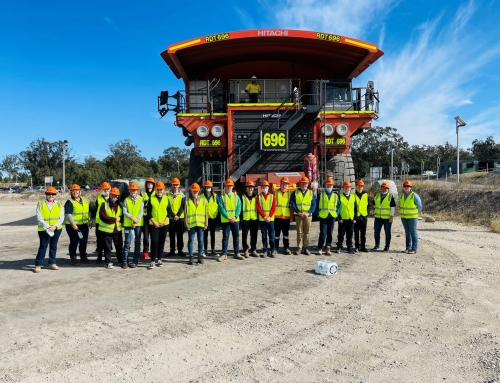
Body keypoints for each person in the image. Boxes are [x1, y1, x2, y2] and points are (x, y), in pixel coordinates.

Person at [34, 187, 64, 273]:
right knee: (43, 246)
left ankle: (52, 263)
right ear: (46, 195)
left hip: (56, 229)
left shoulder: (59, 204)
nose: (51, 196)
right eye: (49, 194)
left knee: (53, 246)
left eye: (53, 194)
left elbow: (61, 218)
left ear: (55, 195)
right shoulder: (40, 204)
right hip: (44, 229)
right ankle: (38, 265)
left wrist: (55, 226)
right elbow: (39, 217)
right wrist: (47, 227)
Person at [64, 184, 92, 266]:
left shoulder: (85, 200)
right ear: (71, 192)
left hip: (83, 225)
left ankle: (83, 256)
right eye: (73, 191)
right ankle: (73, 257)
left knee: (83, 241)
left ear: (80, 191)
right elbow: (68, 214)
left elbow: (89, 211)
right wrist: (73, 224)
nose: (75, 192)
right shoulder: (69, 202)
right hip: (73, 226)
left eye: (77, 191)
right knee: (74, 242)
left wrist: (90, 220)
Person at [98, 187, 124, 269]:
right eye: (112, 195)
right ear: (110, 195)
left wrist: (121, 218)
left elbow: (123, 216)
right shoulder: (104, 204)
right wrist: (114, 219)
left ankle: (120, 260)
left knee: (119, 246)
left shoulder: (120, 205)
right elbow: (103, 216)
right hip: (107, 230)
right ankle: (108, 262)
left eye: (115, 195)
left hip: (117, 230)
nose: (114, 197)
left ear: (118, 196)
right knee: (107, 247)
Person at [148, 181, 171, 269]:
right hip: (154, 224)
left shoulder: (166, 198)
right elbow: (149, 212)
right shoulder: (152, 198)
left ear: (163, 190)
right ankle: (152, 260)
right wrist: (154, 222)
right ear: (155, 189)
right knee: (154, 241)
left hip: (164, 224)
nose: (159, 191)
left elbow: (169, 212)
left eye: (161, 189)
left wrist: (164, 222)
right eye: (158, 189)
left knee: (161, 242)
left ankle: (159, 259)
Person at [290, 176, 316, 255]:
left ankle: (306, 248)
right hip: (299, 215)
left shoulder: (311, 193)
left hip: (308, 215)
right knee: (299, 232)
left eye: (305, 183)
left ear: (307, 184)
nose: (304, 185)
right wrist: (298, 212)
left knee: (307, 232)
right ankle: (299, 248)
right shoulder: (295, 192)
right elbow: (292, 203)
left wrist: (308, 213)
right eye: (302, 183)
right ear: (300, 183)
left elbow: (313, 205)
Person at [184, 183, 208, 265]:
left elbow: (206, 213)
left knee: (201, 240)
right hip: (191, 224)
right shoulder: (188, 202)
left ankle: (200, 257)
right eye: (193, 191)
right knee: (191, 240)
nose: (195, 193)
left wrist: (206, 224)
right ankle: (191, 257)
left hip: (201, 224)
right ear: (191, 192)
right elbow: (186, 214)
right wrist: (186, 224)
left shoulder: (203, 201)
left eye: (196, 191)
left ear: (199, 192)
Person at [218, 178, 241, 261]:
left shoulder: (236, 197)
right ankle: (224, 254)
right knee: (225, 237)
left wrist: (235, 217)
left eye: (230, 186)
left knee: (236, 236)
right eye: (228, 186)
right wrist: (228, 217)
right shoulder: (222, 197)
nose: (229, 187)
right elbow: (221, 208)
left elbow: (239, 207)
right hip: (226, 220)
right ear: (225, 187)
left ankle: (237, 253)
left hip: (235, 220)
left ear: (233, 187)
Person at [122, 182, 144, 268]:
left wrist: (136, 220)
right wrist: (132, 218)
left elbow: (141, 211)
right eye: (131, 190)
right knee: (127, 243)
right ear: (129, 191)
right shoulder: (126, 200)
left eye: (134, 190)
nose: (133, 192)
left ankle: (135, 261)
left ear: (137, 191)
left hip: (138, 224)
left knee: (137, 243)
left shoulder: (141, 199)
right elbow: (124, 211)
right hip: (128, 224)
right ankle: (125, 262)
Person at [316, 178, 340, 255]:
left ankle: (328, 248)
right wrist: (317, 213)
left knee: (330, 233)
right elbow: (316, 205)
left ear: (332, 186)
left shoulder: (336, 196)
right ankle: (320, 248)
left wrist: (337, 213)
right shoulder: (321, 195)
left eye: (330, 185)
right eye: (328, 185)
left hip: (332, 217)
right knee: (323, 233)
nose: (329, 186)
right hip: (323, 216)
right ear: (325, 185)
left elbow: (339, 206)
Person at [399, 180, 422, 254]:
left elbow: (419, 206)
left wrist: (416, 213)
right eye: (405, 186)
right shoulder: (402, 196)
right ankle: (408, 247)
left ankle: (414, 248)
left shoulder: (414, 195)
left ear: (410, 187)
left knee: (413, 232)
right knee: (407, 232)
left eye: (408, 186)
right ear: (403, 187)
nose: (406, 188)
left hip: (412, 217)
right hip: (404, 217)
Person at [372, 181, 395, 252]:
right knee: (376, 232)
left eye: (386, 188)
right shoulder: (377, 195)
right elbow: (373, 203)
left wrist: (391, 216)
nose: (384, 189)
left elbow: (393, 207)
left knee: (387, 232)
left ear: (388, 189)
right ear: (381, 188)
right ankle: (377, 245)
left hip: (387, 218)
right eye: (383, 188)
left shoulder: (390, 196)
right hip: (378, 218)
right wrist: (375, 211)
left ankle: (387, 246)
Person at [336, 181, 358, 254]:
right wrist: (339, 218)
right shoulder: (340, 196)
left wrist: (355, 218)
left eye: (348, 187)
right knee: (341, 234)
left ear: (350, 188)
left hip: (351, 220)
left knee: (350, 234)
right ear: (343, 188)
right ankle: (339, 246)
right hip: (342, 219)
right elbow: (337, 208)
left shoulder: (353, 197)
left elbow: (355, 209)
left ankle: (349, 247)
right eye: (346, 187)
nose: (347, 188)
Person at [256, 180, 276, 257]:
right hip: (263, 219)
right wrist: (264, 216)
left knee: (271, 235)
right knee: (264, 236)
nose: (265, 188)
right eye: (263, 187)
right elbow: (258, 208)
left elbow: (274, 208)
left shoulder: (272, 196)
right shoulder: (259, 197)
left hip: (270, 219)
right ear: (261, 188)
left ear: (268, 187)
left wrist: (269, 217)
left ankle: (272, 250)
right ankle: (265, 250)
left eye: (266, 187)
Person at [167, 177, 186, 257]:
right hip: (171, 218)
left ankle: (180, 250)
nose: (175, 186)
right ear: (172, 185)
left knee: (180, 235)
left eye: (177, 185)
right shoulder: (167, 195)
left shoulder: (182, 195)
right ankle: (172, 250)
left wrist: (177, 215)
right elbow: (168, 207)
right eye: (174, 185)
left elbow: (183, 206)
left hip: (180, 218)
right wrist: (173, 215)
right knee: (171, 235)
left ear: (179, 185)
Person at [241, 180, 259, 258]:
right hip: (245, 219)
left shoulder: (256, 197)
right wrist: (241, 218)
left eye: (251, 187)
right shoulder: (242, 197)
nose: (250, 189)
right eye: (249, 187)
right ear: (246, 188)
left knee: (254, 235)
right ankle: (245, 250)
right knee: (244, 235)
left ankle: (253, 250)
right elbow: (240, 208)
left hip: (254, 219)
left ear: (253, 188)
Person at [274, 176, 292, 255]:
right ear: (280, 184)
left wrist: (291, 217)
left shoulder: (289, 194)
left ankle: (286, 248)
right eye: (283, 183)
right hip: (277, 217)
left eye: (286, 184)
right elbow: (273, 205)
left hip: (286, 217)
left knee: (286, 234)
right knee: (276, 234)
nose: (284, 185)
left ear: (287, 185)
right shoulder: (275, 193)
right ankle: (275, 248)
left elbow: (291, 207)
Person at [95, 181, 111, 263]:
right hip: (99, 222)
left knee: (108, 241)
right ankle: (99, 256)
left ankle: (107, 257)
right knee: (99, 241)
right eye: (104, 189)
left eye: (107, 189)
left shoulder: (113, 197)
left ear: (110, 189)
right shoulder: (99, 198)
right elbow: (95, 209)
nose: (106, 190)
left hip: (109, 222)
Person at [140, 177, 156, 260]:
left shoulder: (156, 194)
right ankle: (145, 251)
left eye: (151, 183)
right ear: (146, 185)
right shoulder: (142, 194)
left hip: (154, 218)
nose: (149, 184)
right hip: (146, 217)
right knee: (146, 236)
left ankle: (155, 251)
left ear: (153, 185)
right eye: (148, 183)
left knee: (154, 236)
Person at [203, 180, 219, 257]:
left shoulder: (215, 196)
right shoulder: (202, 196)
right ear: (205, 187)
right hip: (204, 218)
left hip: (213, 218)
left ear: (211, 187)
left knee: (212, 234)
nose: (208, 188)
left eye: (209, 187)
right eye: (207, 187)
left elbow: (219, 205)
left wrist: (216, 214)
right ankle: (205, 250)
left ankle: (213, 250)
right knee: (205, 235)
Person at [354, 179, 369, 252]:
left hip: (363, 216)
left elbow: (368, 205)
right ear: (356, 186)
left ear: (363, 187)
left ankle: (363, 246)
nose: (360, 187)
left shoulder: (366, 195)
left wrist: (366, 214)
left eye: (361, 186)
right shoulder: (353, 196)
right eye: (358, 186)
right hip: (356, 217)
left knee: (363, 233)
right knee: (356, 232)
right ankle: (357, 246)